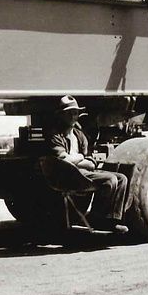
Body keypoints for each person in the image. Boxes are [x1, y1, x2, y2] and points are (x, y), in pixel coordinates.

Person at [42, 95, 129, 231]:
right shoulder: (55, 134)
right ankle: (95, 218)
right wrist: (80, 158)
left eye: (75, 113)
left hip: (82, 172)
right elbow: (63, 160)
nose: (72, 116)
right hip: (65, 175)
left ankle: (111, 220)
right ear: (61, 115)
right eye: (68, 113)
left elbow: (90, 162)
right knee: (109, 180)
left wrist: (78, 159)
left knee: (121, 179)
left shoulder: (80, 135)